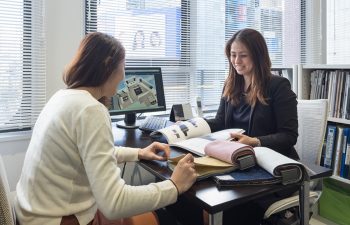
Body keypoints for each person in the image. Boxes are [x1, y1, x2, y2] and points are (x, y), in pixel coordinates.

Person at [14, 32, 197, 225]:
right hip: (57, 220)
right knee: (166, 218)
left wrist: (138, 153)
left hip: (32, 214)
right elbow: (114, 203)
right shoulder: (91, 110)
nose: (124, 75)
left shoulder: (63, 97)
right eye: (123, 66)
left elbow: (91, 153)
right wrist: (174, 186)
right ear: (108, 66)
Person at [167, 28, 299, 225]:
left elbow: (289, 136)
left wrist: (254, 142)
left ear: (258, 55)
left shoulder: (278, 86)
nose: (236, 60)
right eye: (233, 55)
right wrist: (191, 125)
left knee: (227, 210)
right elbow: (220, 123)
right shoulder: (231, 84)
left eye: (243, 55)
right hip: (236, 161)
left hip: (268, 166)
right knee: (183, 197)